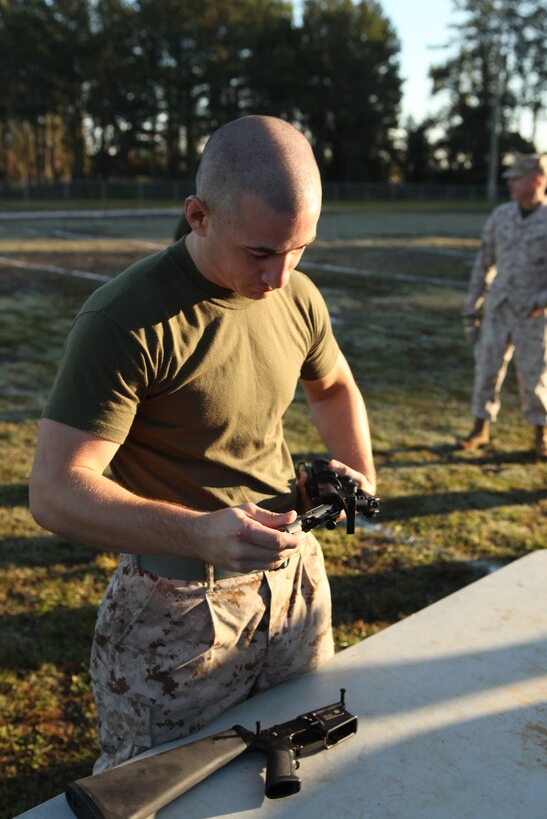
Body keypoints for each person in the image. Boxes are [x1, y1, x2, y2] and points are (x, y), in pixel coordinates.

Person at [29, 115, 376, 773]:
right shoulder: (125, 319)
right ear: (198, 215)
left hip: (295, 584)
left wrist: (357, 469)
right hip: (179, 614)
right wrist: (197, 533)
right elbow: (54, 491)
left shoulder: (297, 295)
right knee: (155, 789)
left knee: (300, 764)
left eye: (298, 248)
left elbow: (331, 387)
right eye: (259, 252)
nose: (280, 275)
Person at [457, 152, 547, 459]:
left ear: (536, 179)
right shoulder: (501, 216)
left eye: (516, 177)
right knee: (487, 369)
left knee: (535, 376)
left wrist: (540, 303)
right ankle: (480, 428)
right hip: (498, 309)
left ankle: (542, 435)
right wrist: (473, 303)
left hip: (533, 314)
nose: (509, 182)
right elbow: (484, 262)